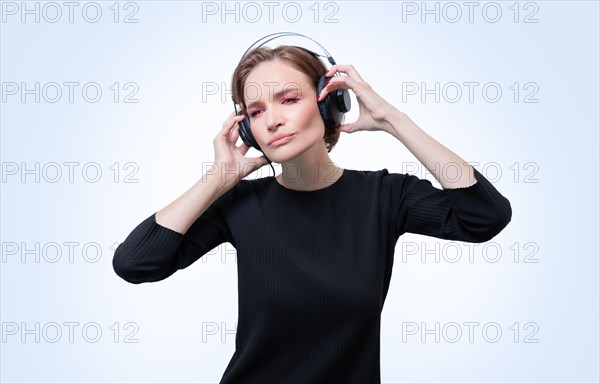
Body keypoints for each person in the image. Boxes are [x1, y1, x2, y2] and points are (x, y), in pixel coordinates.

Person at [112, 44, 512, 383]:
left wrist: (393, 120)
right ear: (247, 129)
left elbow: (486, 216)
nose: (272, 120)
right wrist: (219, 178)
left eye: (288, 99)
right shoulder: (240, 204)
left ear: (331, 103)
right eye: (255, 112)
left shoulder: (385, 196)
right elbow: (135, 263)